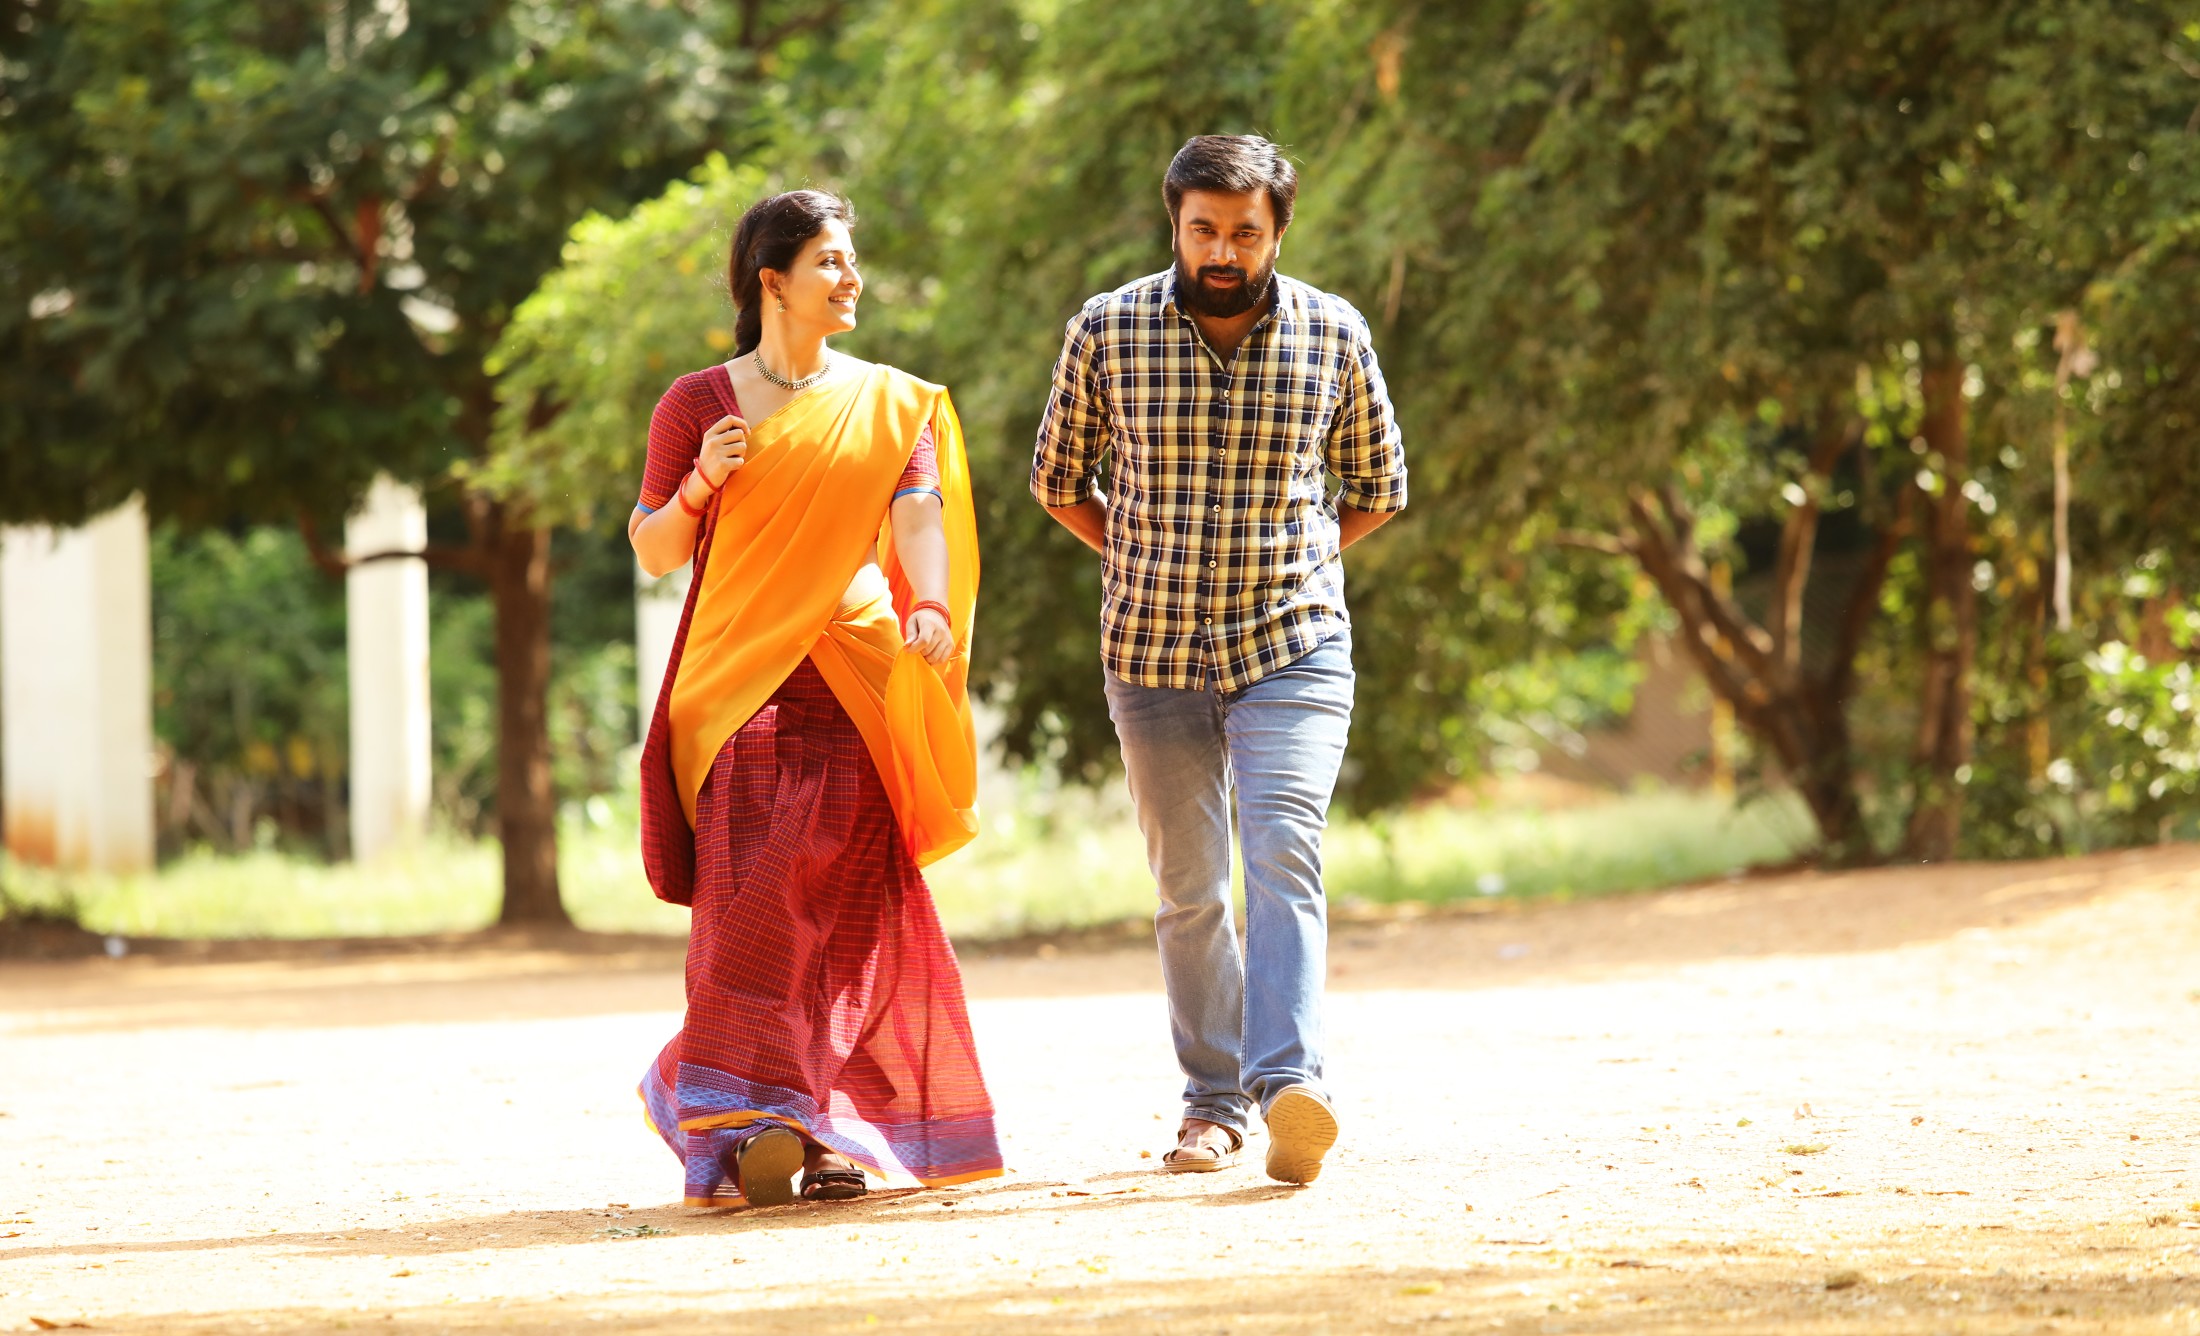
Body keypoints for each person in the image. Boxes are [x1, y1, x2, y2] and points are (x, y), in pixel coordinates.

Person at [1030, 135, 1407, 1184]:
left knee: (1282, 850)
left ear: (1278, 231)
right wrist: (1137, 553)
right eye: (1204, 229)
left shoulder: (1334, 332)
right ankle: (1212, 1104)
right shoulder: (1106, 330)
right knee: (1190, 888)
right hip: (1149, 651)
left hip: (1292, 644)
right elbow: (1057, 481)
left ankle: (1290, 1088)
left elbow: (1379, 487)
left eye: (1245, 232)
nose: (1224, 251)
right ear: (1175, 226)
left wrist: (1300, 561)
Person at [629, 189, 1001, 1208]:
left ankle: (822, 1130)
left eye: (850, 259)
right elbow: (654, 548)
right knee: (749, 906)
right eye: (830, 261)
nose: (851, 278)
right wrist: (700, 484)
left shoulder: (889, 402)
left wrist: (930, 602)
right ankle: (743, 1114)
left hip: (854, 668)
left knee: (849, 906)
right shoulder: (696, 405)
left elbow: (917, 515)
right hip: (735, 684)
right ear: (773, 281)